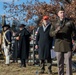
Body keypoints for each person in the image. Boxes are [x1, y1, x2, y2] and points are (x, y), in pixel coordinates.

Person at [49, 6, 76, 75]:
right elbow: (51, 34)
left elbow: (74, 34)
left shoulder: (70, 22)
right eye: (61, 12)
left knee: (68, 63)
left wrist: (75, 43)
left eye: (63, 12)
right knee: (60, 63)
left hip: (68, 44)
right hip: (58, 45)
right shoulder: (54, 23)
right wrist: (56, 31)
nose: (62, 14)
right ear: (58, 14)